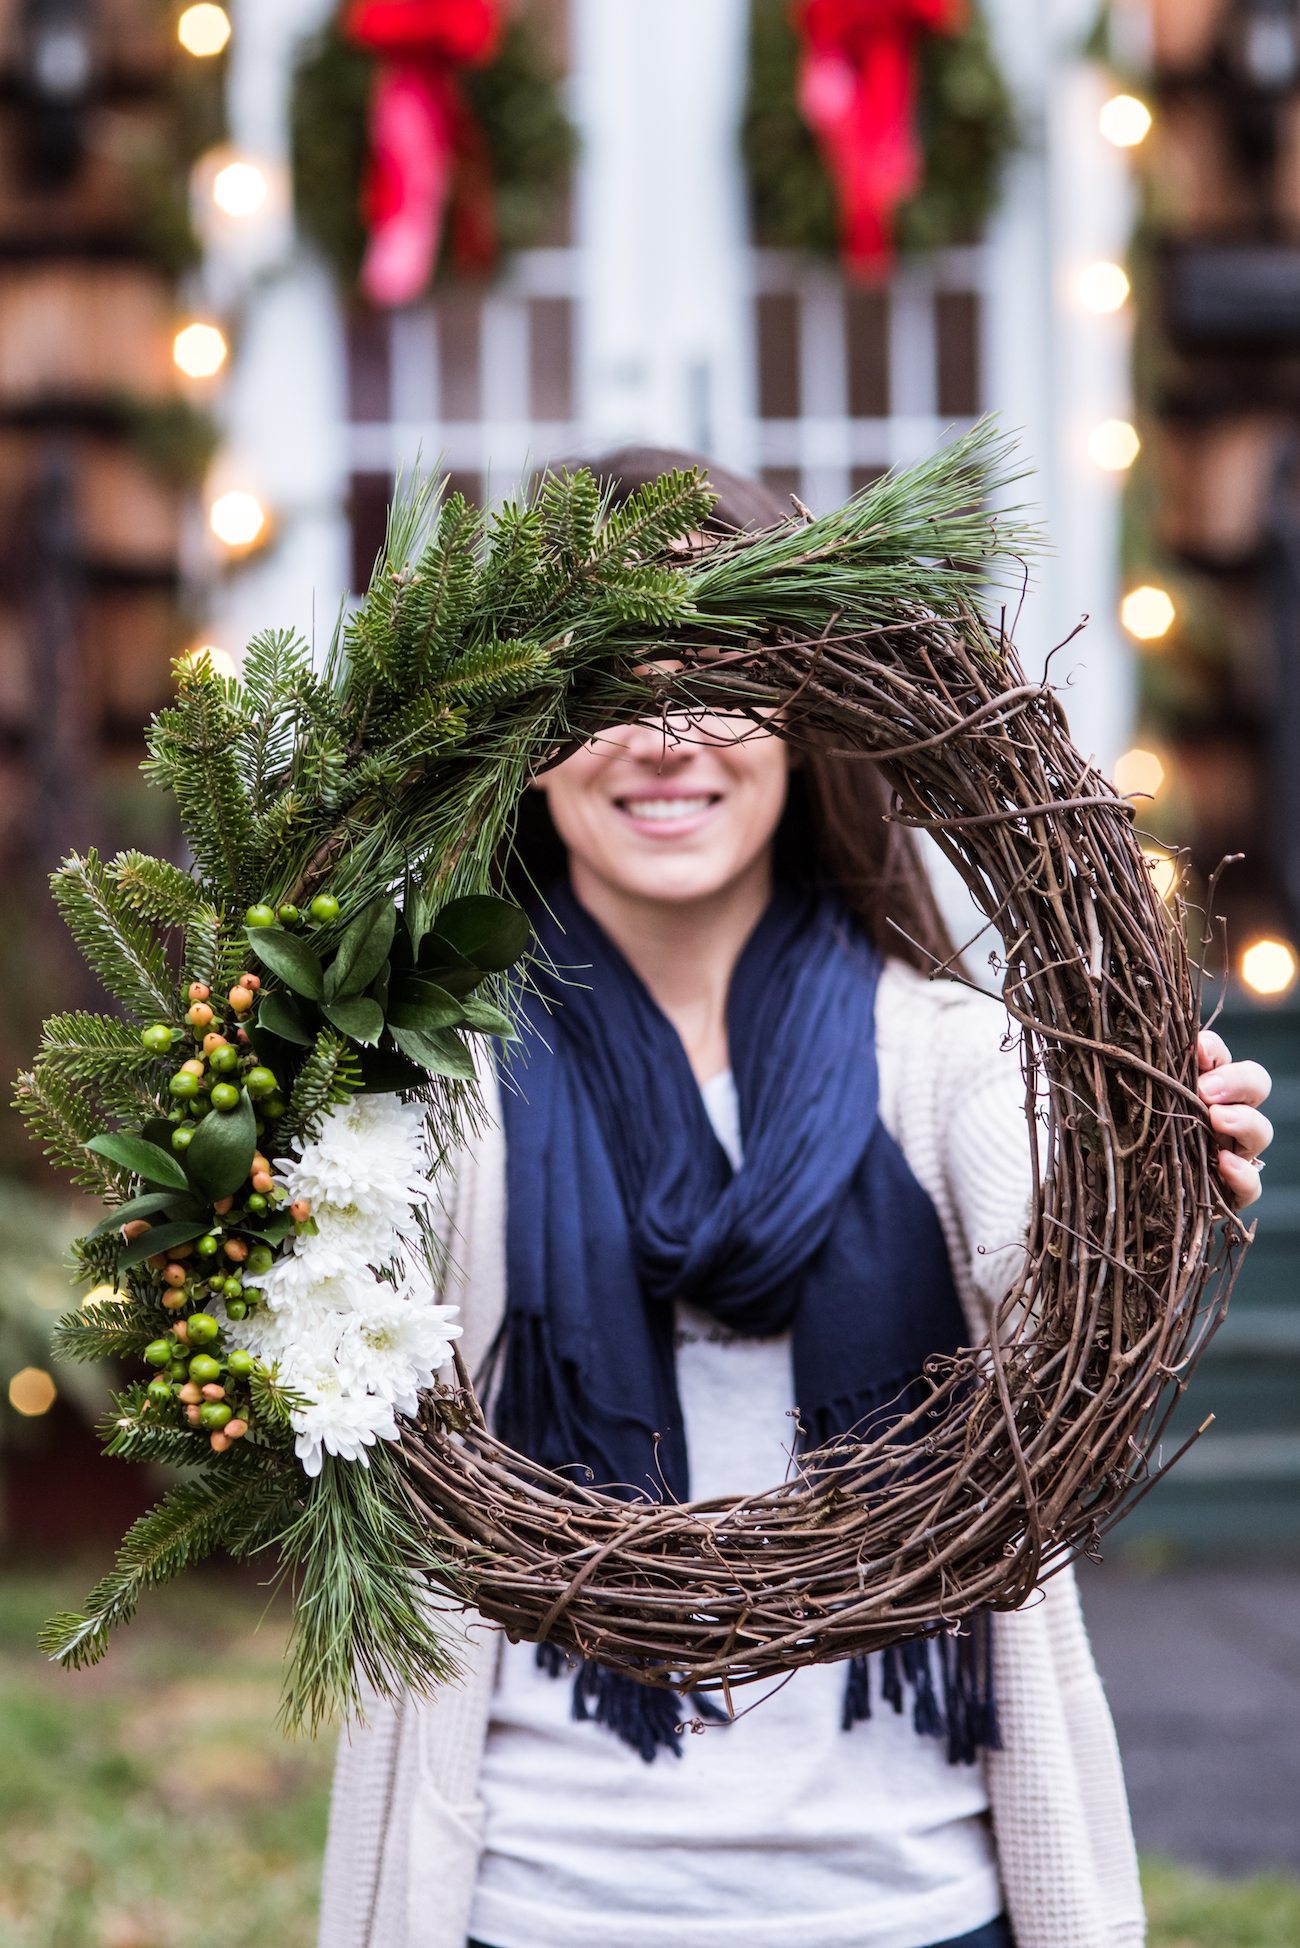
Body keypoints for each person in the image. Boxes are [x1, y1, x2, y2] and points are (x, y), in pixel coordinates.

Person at [318, 454, 1273, 1948]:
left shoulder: (953, 1061)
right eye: (612, 687)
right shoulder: (431, 1089)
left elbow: (1050, 1275)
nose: (667, 735)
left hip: (909, 1895)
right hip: (543, 1894)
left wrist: (1142, 1178)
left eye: (723, 676)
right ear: (525, 734)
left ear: (805, 711)